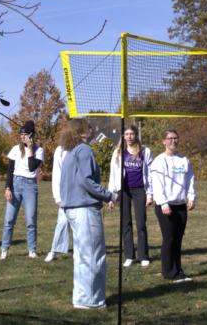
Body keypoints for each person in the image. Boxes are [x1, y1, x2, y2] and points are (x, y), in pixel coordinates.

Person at [59, 118, 117, 309]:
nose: (94, 129)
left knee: (82, 256)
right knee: (93, 255)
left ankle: (81, 298)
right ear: (82, 133)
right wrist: (109, 195)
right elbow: (86, 181)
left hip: (72, 209)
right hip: (84, 209)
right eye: (90, 127)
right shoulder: (84, 150)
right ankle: (91, 301)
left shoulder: (70, 152)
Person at [150, 129, 196, 282]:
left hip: (180, 204)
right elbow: (157, 185)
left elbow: (189, 180)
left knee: (178, 239)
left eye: (175, 138)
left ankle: (179, 272)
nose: (173, 141)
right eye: (169, 138)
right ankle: (169, 273)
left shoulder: (184, 160)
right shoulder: (159, 161)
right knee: (169, 239)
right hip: (165, 205)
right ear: (163, 141)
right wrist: (163, 203)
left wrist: (191, 196)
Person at [108, 124, 153, 267]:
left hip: (140, 189)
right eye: (126, 134)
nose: (129, 137)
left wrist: (150, 194)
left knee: (141, 223)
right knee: (125, 223)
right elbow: (113, 174)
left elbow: (150, 174)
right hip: (124, 190)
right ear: (123, 136)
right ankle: (129, 256)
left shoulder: (145, 151)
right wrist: (111, 195)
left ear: (136, 135)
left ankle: (143, 256)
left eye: (131, 134)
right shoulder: (118, 152)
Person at [0, 120, 44, 259]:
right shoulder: (15, 149)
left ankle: (32, 250)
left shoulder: (39, 151)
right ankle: (4, 250)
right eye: (21, 135)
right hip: (15, 184)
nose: (23, 137)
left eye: (25, 135)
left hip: (30, 185)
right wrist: (8, 188)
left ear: (31, 135)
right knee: (9, 220)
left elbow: (32, 167)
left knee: (31, 220)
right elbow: (10, 169)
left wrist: (30, 150)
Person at [44, 144, 69, 263]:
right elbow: (57, 173)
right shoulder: (61, 149)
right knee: (63, 221)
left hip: (80, 192)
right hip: (65, 193)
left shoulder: (83, 147)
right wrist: (57, 196)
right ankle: (54, 250)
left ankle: (78, 251)